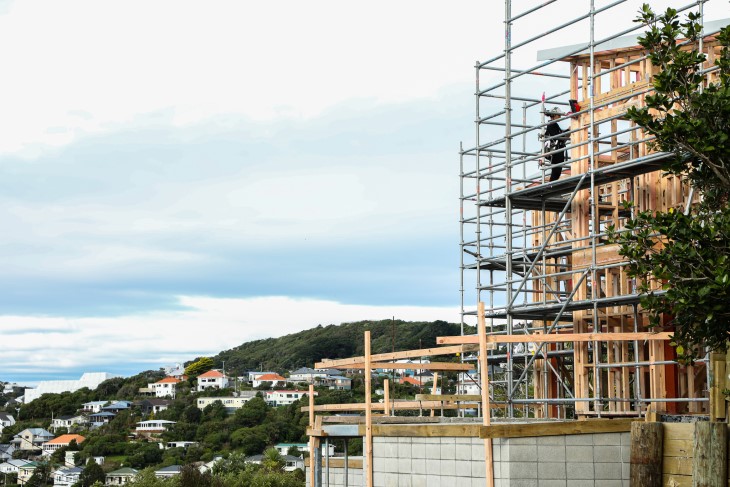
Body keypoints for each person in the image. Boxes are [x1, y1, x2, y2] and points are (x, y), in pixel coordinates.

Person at [542, 107, 569, 182]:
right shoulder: (552, 125)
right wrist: (568, 131)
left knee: (557, 171)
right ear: (554, 115)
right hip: (555, 151)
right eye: (558, 115)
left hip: (557, 150)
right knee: (556, 171)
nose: (560, 117)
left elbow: (560, 136)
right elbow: (558, 137)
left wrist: (567, 131)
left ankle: (552, 184)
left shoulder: (554, 125)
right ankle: (551, 185)